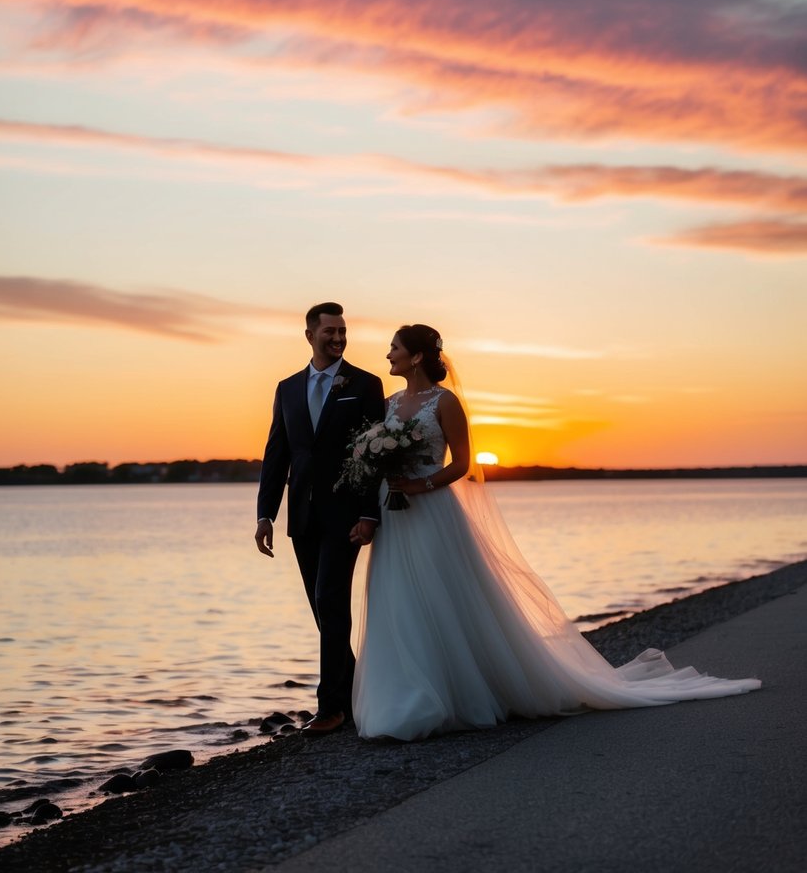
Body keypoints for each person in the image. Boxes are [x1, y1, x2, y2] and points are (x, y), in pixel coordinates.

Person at [352, 323, 761, 741]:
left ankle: (457, 694)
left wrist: (422, 485)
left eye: (395, 347)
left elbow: (463, 464)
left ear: (417, 356)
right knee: (397, 598)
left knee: (443, 596)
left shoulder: (445, 401)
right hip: (395, 511)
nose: (388, 354)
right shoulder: (389, 403)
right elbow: (375, 457)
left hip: (433, 509)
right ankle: (402, 696)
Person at [256, 302, 385, 734]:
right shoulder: (287, 388)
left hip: (346, 514)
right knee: (320, 607)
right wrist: (265, 515)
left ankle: (329, 708)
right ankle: (354, 691)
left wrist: (369, 513)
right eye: (329, 330)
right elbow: (277, 453)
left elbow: (373, 456)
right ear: (309, 334)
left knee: (331, 602)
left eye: (342, 331)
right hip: (301, 516)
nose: (337, 337)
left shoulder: (365, 384)